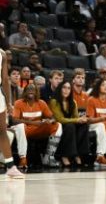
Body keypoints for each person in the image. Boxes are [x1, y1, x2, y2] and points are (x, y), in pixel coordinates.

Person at [12, 84, 62, 167]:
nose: (31, 90)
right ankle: (23, 159)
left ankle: (49, 157)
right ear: (24, 92)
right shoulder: (18, 103)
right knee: (20, 126)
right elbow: (14, 120)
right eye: (28, 89)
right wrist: (34, 123)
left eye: (33, 89)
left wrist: (50, 121)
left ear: (36, 92)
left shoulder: (41, 103)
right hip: (25, 130)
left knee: (57, 125)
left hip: (39, 129)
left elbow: (53, 117)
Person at [49, 81, 90, 167]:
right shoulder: (54, 101)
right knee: (70, 126)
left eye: (68, 88)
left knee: (83, 126)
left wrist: (82, 120)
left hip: (69, 125)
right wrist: (77, 119)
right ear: (60, 89)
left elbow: (76, 117)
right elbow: (60, 119)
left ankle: (78, 154)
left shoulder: (73, 102)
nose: (66, 90)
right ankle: (65, 155)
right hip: (59, 126)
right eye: (64, 87)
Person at [0, 48, 24, 178]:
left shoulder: (2, 53)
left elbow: (4, 78)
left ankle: (10, 167)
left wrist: (8, 102)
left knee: (2, 131)